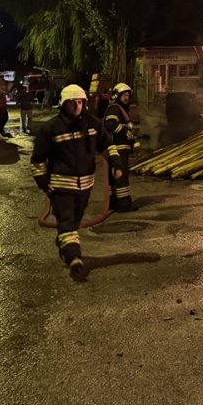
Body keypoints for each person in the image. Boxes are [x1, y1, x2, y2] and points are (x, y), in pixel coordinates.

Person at [30, 84, 121, 279]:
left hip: (86, 186)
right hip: (61, 186)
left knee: (74, 221)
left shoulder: (93, 124)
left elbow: (108, 145)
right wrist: (44, 183)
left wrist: (116, 164)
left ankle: (65, 244)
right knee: (68, 223)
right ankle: (75, 260)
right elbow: (37, 160)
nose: (77, 106)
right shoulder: (51, 129)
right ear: (64, 105)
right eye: (72, 103)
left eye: (80, 102)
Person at [103, 82, 138, 212]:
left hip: (118, 147)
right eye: (124, 95)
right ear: (117, 96)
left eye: (128, 95)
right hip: (118, 148)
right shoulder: (115, 108)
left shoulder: (119, 109)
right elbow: (110, 125)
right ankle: (124, 205)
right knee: (121, 175)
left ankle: (114, 203)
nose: (126, 98)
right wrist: (125, 130)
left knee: (114, 176)